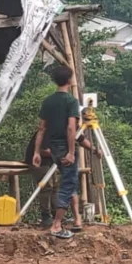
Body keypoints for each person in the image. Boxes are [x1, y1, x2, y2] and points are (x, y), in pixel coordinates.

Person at [32, 65, 82, 239]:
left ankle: (75, 220)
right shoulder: (71, 102)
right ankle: (57, 224)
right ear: (69, 81)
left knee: (69, 183)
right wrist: (71, 152)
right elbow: (71, 128)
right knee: (68, 184)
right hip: (63, 147)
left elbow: (41, 128)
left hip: (52, 147)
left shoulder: (48, 101)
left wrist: (36, 152)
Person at [25, 127, 97, 229]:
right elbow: (42, 150)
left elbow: (82, 140)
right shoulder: (50, 129)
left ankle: (56, 215)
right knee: (47, 186)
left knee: (56, 186)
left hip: (52, 161)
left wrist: (94, 149)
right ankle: (46, 216)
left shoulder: (70, 127)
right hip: (38, 160)